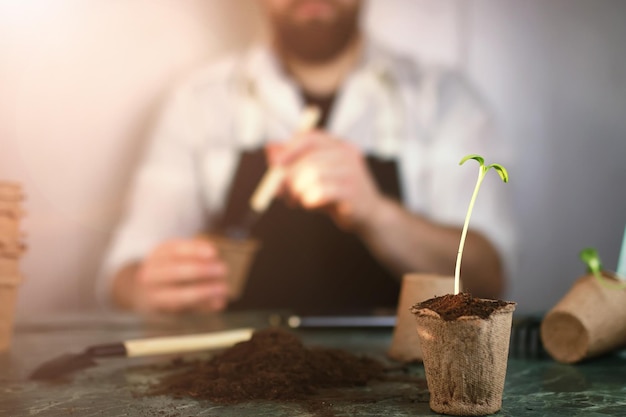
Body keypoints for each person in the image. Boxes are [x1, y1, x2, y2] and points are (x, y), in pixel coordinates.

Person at [97, 0, 515, 315]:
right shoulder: (199, 102)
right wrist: (144, 287)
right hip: (235, 383)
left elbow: (488, 278)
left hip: (402, 385)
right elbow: (123, 272)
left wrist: (376, 213)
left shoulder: (441, 100)